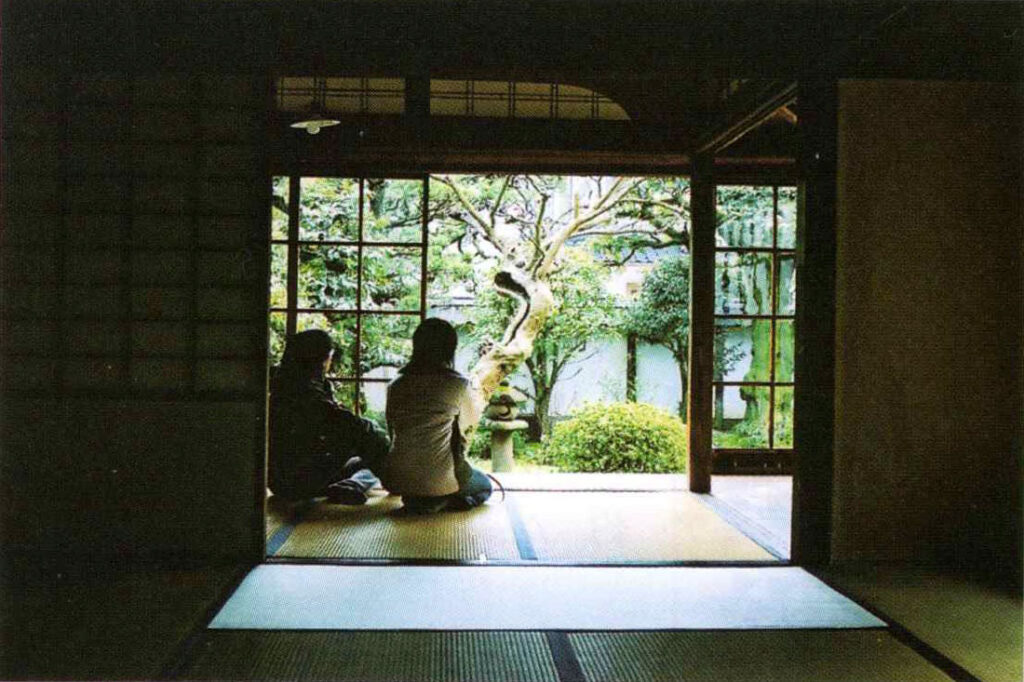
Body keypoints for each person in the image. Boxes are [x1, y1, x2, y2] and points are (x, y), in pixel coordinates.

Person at [378, 317, 493, 513]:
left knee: (423, 478)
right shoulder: (458, 384)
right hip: (442, 480)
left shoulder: (396, 384)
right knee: (485, 486)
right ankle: (444, 501)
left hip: (396, 479)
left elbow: (392, 431)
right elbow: (466, 429)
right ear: (451, 348)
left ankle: (420, 500)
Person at [268, 329, 388, 505]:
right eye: (329, 357)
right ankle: (371, 484)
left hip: (279, 482)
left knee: (362, 461)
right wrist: (376, 433)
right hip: (299, 480)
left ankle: (347, 485)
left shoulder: (282, 380)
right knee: (362, 441)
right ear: (320, 359)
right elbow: (346, 424)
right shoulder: (304, 389)